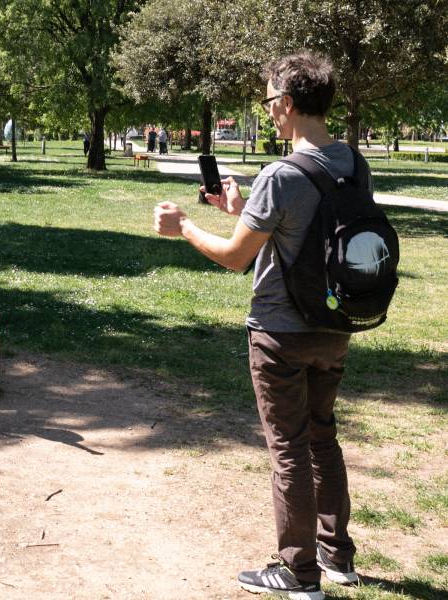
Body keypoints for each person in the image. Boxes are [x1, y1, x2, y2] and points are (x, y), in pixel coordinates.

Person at [154, 51, 363, 600]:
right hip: (335, 325)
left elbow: (233, 258)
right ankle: (336, 554)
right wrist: (242, 210)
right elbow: (302, 232)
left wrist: (185, 228)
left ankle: (298, 574)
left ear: (288, 104)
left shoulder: (281, 173)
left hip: (279, 333)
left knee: (289, 448)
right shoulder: (351, 162)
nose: (268, 110)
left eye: (269, 100)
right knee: (324, 438)